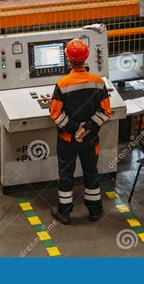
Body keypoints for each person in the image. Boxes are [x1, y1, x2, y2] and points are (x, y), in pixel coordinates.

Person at [49, 39, 111, 225]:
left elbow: (55, 113)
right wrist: (86, 128)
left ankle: (65, 212)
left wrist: (75, 128)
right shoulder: (98, 83)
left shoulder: (62, 84)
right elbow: (105, 112)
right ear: (86, 59)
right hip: (90, 138)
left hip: (67, 139)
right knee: (91, 171)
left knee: (66, 173)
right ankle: (94, 210)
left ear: (68, 59)